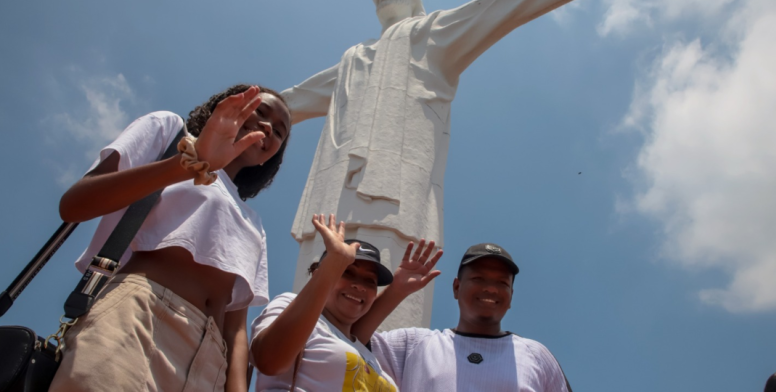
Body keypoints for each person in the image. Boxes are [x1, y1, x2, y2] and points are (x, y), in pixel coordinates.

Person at [280, 0, 649, 329]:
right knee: (308, 306)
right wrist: (222, 118)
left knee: (387, 307)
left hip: (394, 191)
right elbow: (288, 102)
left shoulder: (430, 34)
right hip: (331, 198)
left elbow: (502, 7)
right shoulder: (356, 58)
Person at [50, 84, 291, 392]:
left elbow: (236, 328)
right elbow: (74, 205)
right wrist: (191, 161)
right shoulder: (172, 135)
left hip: (211, 360)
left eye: (280, 132)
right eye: (260, 111)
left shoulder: (254, 223)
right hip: (139, 318)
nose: (269, 126)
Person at [249, 214, 442, 392]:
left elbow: (354, 334)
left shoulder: (364, 352)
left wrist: (397, 290)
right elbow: (269, 360)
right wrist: (333, 263)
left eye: (370, 281)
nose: (359, 286)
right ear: (320, 272)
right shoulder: (291, 305)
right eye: (347, 272)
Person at [352, 243, 571, 392]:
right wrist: (396, 291)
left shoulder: (536, 356)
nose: (491, 289)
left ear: (511, 296)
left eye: (502, 283)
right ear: (456, 287)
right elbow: (348, 339)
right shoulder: (414, 345)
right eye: (478, 278)